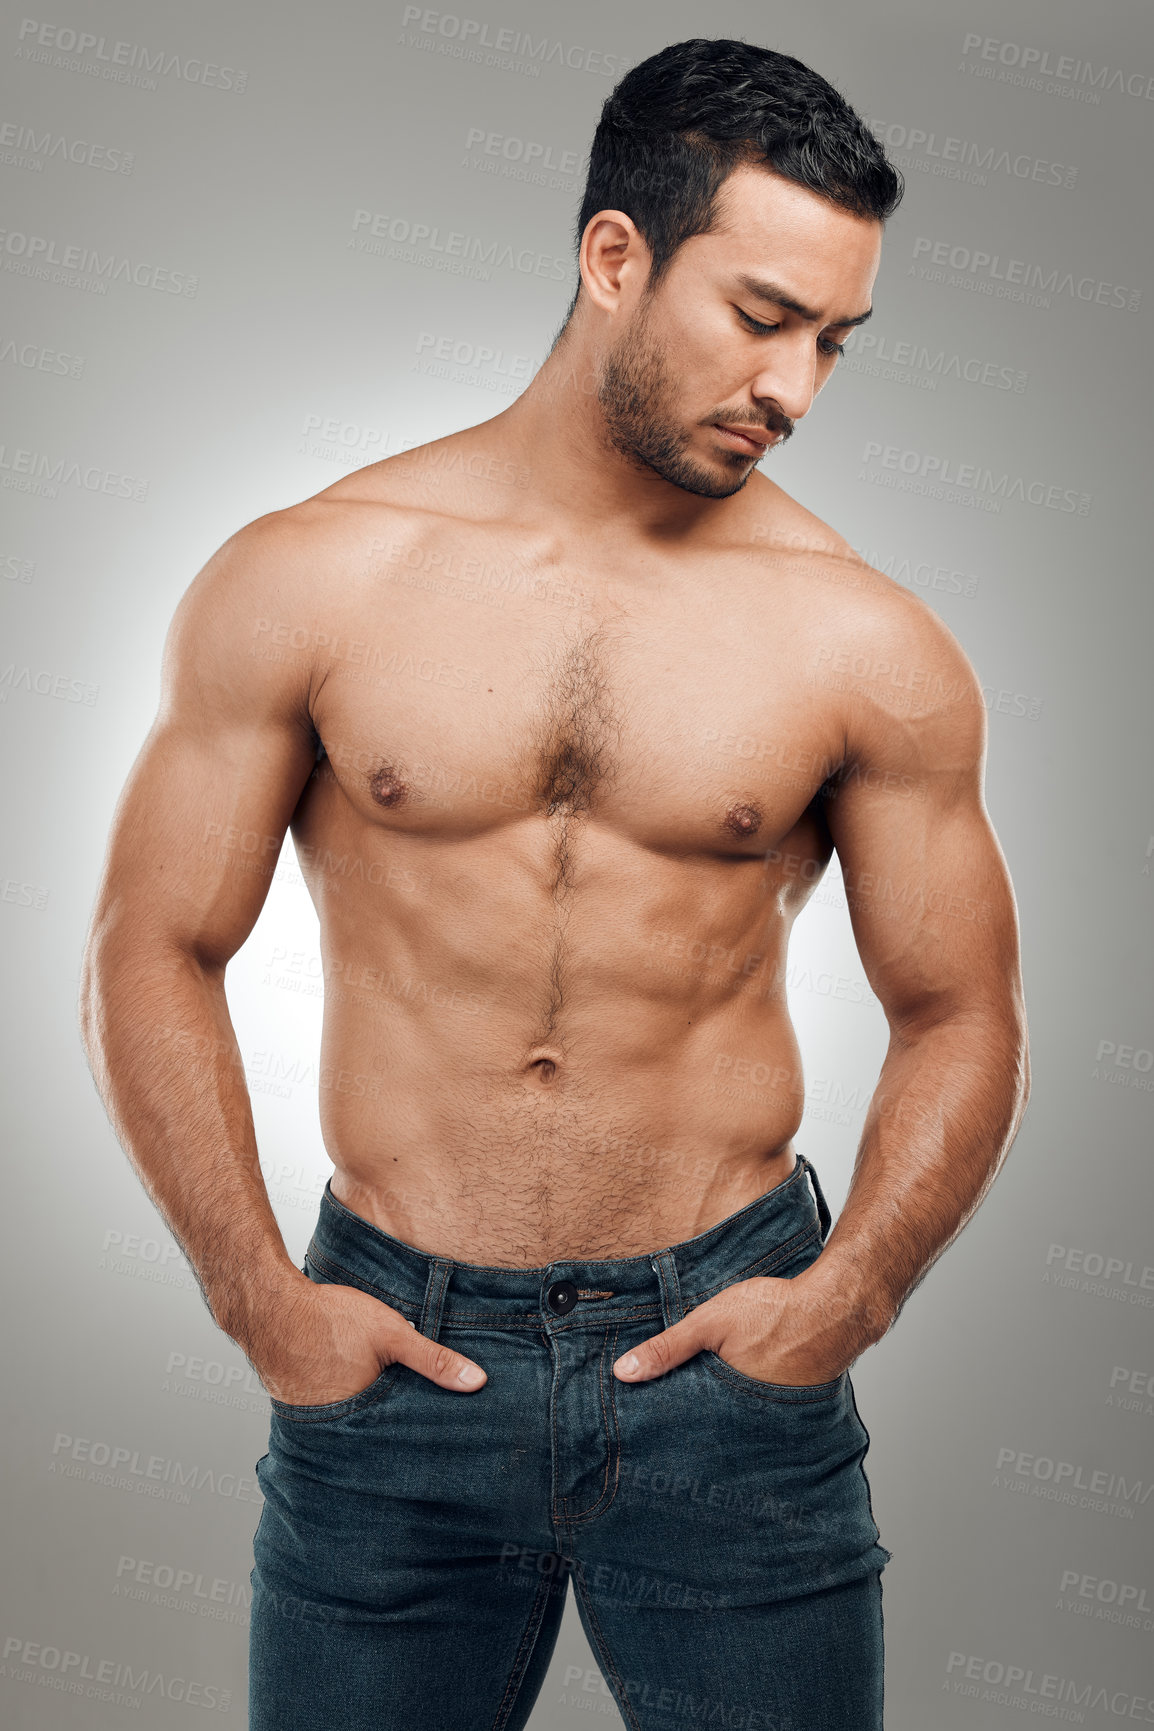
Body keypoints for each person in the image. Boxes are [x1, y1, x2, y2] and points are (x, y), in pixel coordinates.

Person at [79, 36, 1029, 1731]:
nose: (796, 386)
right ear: (613, 259)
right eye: (760, 317)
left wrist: (848, 1299)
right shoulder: (309, 576)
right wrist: (258, 1304)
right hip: (392, 1364)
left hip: (727, 1366)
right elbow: (151, 944)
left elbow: (959, 1006)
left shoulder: (864, 642)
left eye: (833, 341)